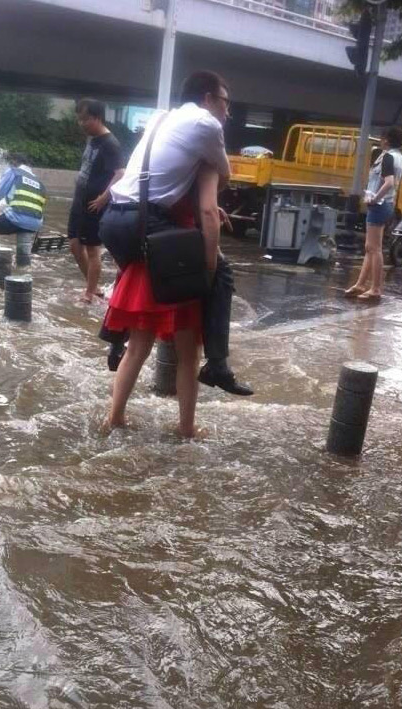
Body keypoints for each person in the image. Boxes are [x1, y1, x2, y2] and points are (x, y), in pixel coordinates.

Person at [98, 71, 251, 438]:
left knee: (139, 345)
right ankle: (189, 423)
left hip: (130, 230)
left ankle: (114, 416)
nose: (227, 114)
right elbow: (210, 212)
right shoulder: (205, 139)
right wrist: (209, 268)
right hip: (174, 254)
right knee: (188, 351)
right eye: (226, 103)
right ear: (209, 98)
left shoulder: (162, 120)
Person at [68, 99, 125, 303]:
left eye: (85, 120)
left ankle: (90, 293)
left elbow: (120, 174)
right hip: (80, 200)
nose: (82, 124)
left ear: (97, 118)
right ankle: (95, 288)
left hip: (94, 203)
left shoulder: (110, 143)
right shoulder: (92, 139)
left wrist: (103, 198)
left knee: (93, 249)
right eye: (79, 120)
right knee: (74, 245)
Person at [344, 127, 402, 301]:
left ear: (386, 139)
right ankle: (361, 284)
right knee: (370, 248)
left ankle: (376, 288)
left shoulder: (388, 156)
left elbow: (389, 183)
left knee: (374, 248)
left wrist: (375, 198)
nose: (380, 140)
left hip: (379, 204)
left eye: (382, 138)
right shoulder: (398, 157)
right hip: (385, 204)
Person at [0, 153, 46, 259]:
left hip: (17, 218)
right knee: (23, 256)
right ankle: (23, 262)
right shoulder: (38, 181)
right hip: (35, 223)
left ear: (15, 162)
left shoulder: (14, 172)